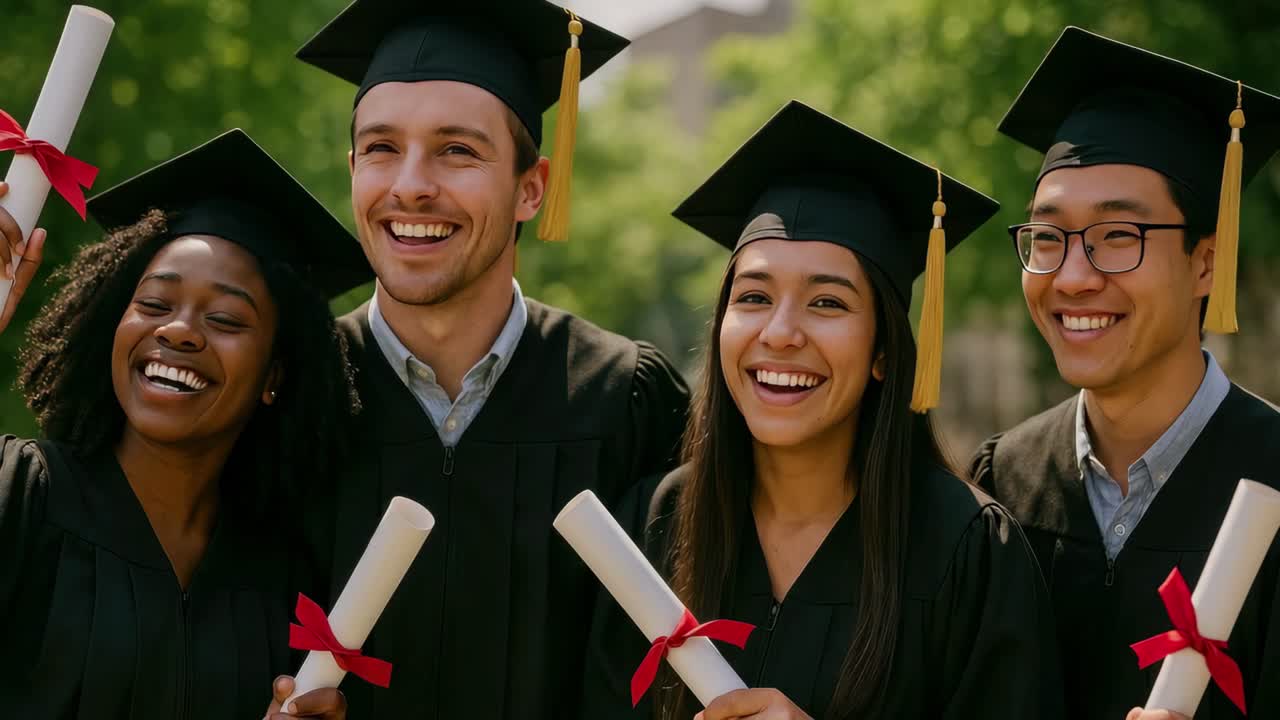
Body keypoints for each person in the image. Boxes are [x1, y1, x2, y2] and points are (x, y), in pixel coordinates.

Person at [581, 101, 1063, 720]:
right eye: (753, 296)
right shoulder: (655, 528)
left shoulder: (965, 550)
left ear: (884, 351)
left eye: (828, 303)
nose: (780, 333)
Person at [290, 2, 691, 716]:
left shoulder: (624, 397)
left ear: (531, 188)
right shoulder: (289, 391)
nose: (411, 185)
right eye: (381, 149)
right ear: (352, 170)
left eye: (457, 151)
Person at [0, 129, 371, 719]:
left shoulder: (284, 592)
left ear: (275, 376)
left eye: (225, 318)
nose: (178, 330)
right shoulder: (20, 494)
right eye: (153, 305)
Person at [970, 27, 1280, 719]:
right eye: (1047, 237)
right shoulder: (1001, 484)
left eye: (1119, 236)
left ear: (1206, 262)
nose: (1073, 277)